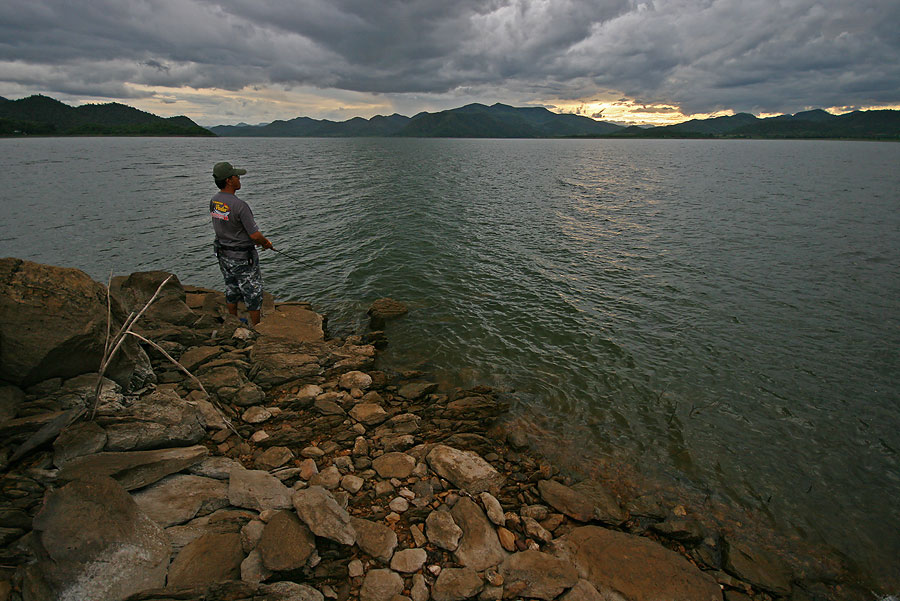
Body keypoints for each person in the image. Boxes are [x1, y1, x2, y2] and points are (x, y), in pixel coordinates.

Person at [210, 161, 273, 325]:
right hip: (242, 257)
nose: (239, 179)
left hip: (223, 253)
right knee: (252, 292)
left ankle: (233, 322)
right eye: (237, 176)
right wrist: (266, 242)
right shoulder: (240, 206)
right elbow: (254, 235)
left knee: (231, 287)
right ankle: (257, 328)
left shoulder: (215, 201)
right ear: (229, 180)